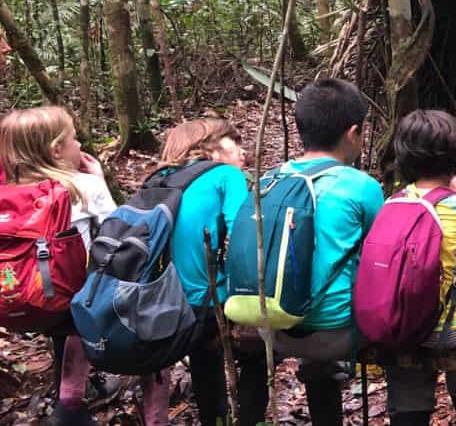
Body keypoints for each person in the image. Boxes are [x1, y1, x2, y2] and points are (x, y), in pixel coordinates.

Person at [237, 78, 385, 426]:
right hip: (333, 335)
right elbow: (379, 257)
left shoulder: (269, 179)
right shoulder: (361, 186)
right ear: (353, 132)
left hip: (269, 326)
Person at [385, 109, 456, 426]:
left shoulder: (393, 202)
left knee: (408, 381)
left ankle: (414, 416)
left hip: (401, 324)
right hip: (452, 329)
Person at [0, 106, 115, 426]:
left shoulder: (6, 193)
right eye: (74, 139)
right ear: (56, 149)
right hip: (71, 298)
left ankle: (72, 385)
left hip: (15, 296)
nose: (80, 145)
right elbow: (116, 228)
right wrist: (100, 181)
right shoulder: (82, 186)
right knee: (82, 311)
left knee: (60, 322)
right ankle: (70, 406)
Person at [137, 118, 248, 426]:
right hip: (204, 302)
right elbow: (245, 235)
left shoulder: (156, 180)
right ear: (208, 146)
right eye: (234, 142)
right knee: (222, 364)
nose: (243, 152)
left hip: (153, 299)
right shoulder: (226, 175)